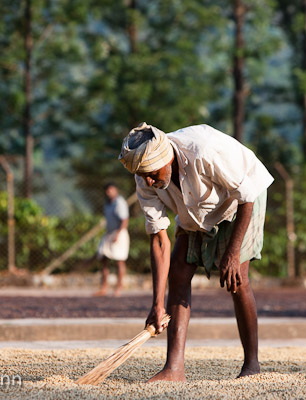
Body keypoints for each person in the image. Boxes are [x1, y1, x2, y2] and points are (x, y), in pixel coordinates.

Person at [118, 122, 274, 382]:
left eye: (153, 173)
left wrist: (232, 254)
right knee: (178, 272)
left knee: (237, 278)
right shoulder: (145, 177)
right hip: (196, 212)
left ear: (167, 158)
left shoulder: (204, 151)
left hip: (242, 200)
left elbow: (246, 195)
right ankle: (175, 368)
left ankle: (252, 364)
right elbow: (159, 239)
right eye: (143, 174)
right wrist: (157, 304)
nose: (149, 180)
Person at [94, 183, 130, 297]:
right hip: (109, 233)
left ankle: (119, 287)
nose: (109, 192)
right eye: (108, 190)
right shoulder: (107, 203)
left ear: (116, 190)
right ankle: (103, 287)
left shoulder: (119, 203)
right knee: (103, 258)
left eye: (111, 190)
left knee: (119, 260)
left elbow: (125, 220)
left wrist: (118, 234)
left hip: (119, 232)